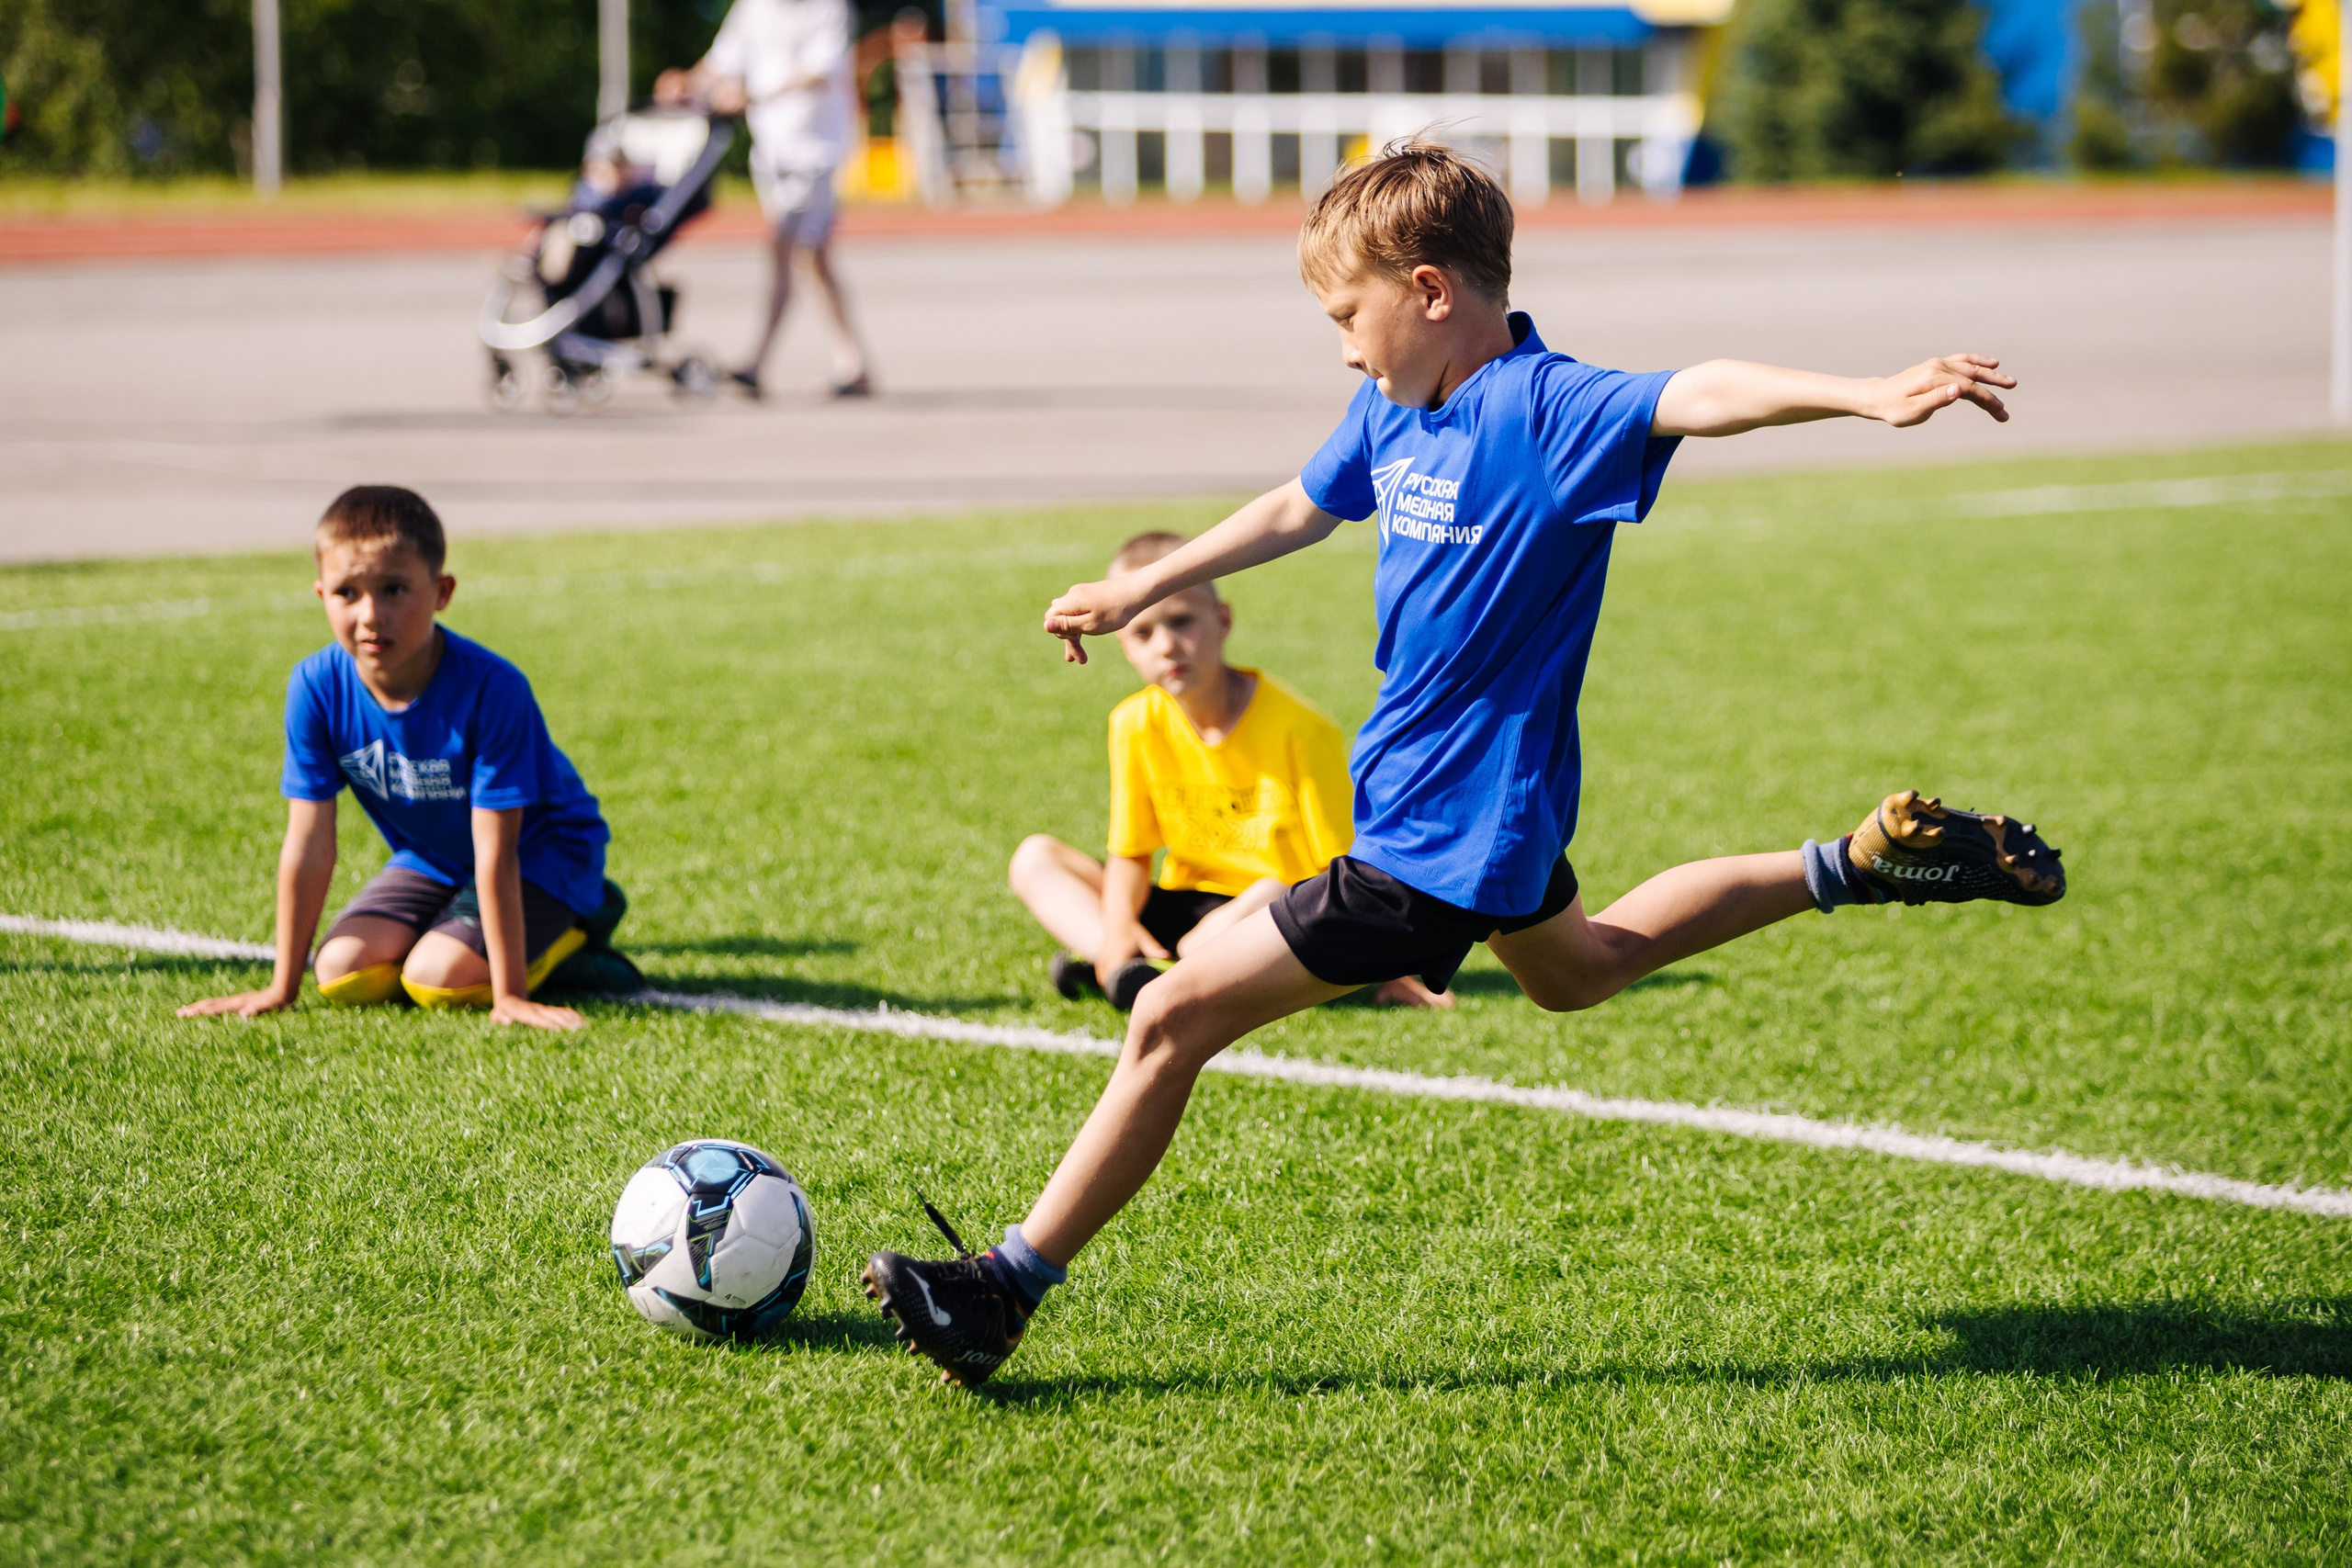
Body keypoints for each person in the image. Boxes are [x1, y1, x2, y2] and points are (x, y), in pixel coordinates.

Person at [861, 142, 2068, 1387]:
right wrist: (1143, 582)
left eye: (1348, 316)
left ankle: (1001, 1288)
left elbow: (1691, 390)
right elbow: (1303, 502)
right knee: (1582, 969)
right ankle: (1860, 863)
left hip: (1443, 836)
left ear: (1431, 291)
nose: (1341, 346)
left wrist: (1869, 392)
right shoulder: (1397, 405)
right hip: (1473, 819)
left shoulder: (1544, 408)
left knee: (1169, 1014)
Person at [177, 486, 639, 1032]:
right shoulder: (315, 686)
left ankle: (582, 924)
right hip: (435, 857)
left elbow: (497, 849)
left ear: (442, 592)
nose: (371, 615)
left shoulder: (495, 689)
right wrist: (283, 986)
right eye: (347, 593)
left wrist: (509, 996)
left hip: (543, 857)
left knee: (438, 978)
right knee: (341, 972)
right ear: (320, 593)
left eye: (394, 590)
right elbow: (309, 841)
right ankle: (458, 928)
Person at [1009, 530, 1450, 1014]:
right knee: (1035, 860)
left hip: (1280, 915)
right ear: (1124, 644)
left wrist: (1392, 969)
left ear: (1222, 620)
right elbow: (1131, 855)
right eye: (1143, 631)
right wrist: (1116, 930)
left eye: (1182, 621)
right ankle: (1122, 965)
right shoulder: (1132, 723)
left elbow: (1344, 872)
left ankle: (1150, 975)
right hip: (1187, 908)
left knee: (1266, 893)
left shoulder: (1301, 729)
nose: (1167, 645)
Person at [656, 0, 872, 400]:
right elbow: (722, 62)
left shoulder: (827, 9)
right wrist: (686, 81)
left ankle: (757, 362)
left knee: (782, 247)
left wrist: (753, 94)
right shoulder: (753, 8)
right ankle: (854, 363)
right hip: (772, 152)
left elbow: (818, 71)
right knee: (814, 257)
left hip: (815, 152)